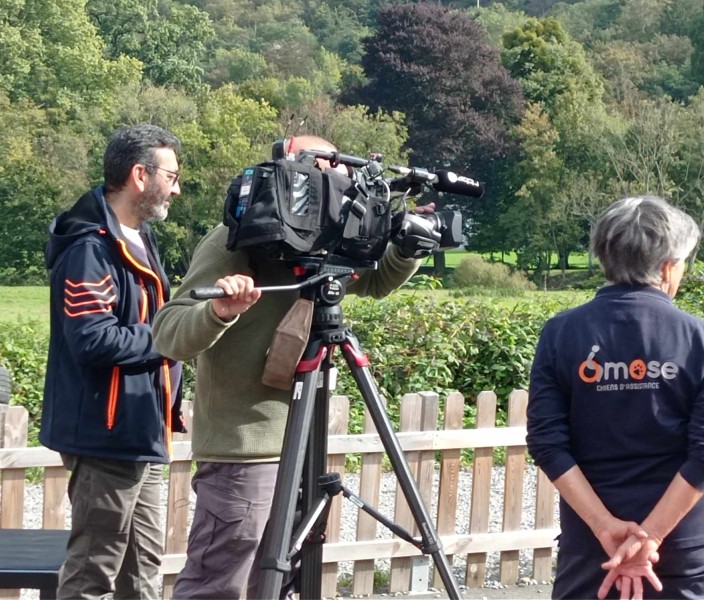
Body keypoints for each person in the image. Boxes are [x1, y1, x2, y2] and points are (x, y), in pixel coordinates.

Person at [152, 135, 427, 599]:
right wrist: (220, 310)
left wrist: (408, 248)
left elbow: (375, 282)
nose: (335, 178)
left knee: (281, 583)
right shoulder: (238, 234)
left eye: (338, 168)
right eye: (322, 166)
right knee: (220, 583)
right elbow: (168, 333)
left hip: (304, 446)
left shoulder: (329, 237)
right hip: (246, 447)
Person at [526, 196, 704, 600]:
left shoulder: (560, 334)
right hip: (686, 538)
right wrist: (651, 538)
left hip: (594, 540)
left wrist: (605, 526)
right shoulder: (702, 338)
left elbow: (548, 443)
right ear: (667, 266)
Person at [40, 123, 185, 599]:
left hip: (141, 430)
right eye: (172, 175)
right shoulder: (90, 247)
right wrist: (170, 336)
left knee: (142, 571)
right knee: (93, 571)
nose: (177, 187)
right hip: (105, 436)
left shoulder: (139, 237)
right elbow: (93, 340)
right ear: (140, 175)